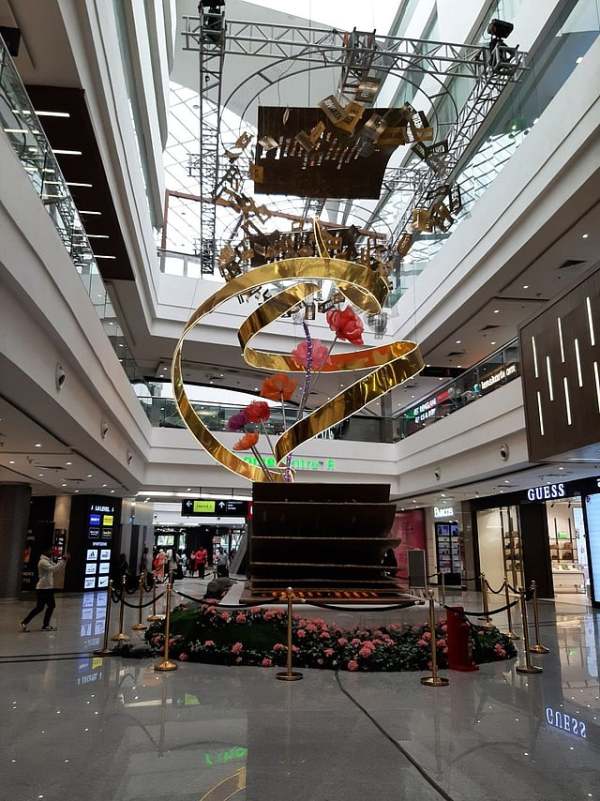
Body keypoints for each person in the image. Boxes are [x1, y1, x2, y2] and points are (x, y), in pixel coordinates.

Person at [20, 548, 69, 631]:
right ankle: (41, 624)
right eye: (50, 551)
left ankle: (28, 623)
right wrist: (63, 560)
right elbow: (53, 569)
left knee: (42, 607)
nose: (51, 552)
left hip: (47, 588)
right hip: (43, 588)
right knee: (47, 606)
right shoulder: (43, 562)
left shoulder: (48, 561)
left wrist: (64, 561)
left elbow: (57, 568)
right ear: (45, 552)